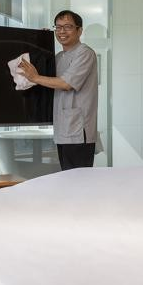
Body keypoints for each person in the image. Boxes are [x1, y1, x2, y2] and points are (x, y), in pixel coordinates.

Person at [19, 10, 99, 170]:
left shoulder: (85, 53)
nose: (62, 31)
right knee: (66, 178)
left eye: (68, 27)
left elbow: (66, 84)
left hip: (78, 131)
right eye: (58, 27)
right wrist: (41, 41)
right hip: (63, 128)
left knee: (79, 180)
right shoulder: (59, 57)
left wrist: (35, 77)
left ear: (79, 30)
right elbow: (47, 80)